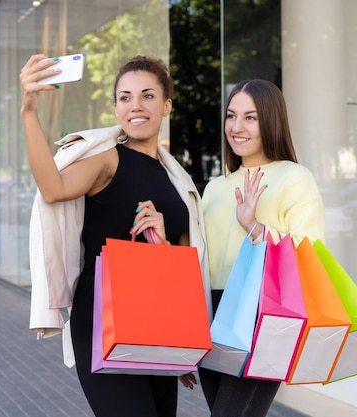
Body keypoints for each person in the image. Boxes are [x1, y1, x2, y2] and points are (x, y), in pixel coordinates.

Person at [20, 54, 211, 417]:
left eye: (147, 96)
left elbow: (180, 264)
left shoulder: (175, 179)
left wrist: (183, 342)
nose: (135, 106)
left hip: (156, 321)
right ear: (115, 107)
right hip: (102, 321)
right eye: (125, 97)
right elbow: (52, 188)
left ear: (167, 105)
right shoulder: (108, 160)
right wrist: (30, 111)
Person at [198, 79, 325, 416]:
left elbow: (307, 253)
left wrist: (254, 227)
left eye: (250, 118)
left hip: (264, 311)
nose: (237, 127)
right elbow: (199, 258)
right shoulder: (214, 187)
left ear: (271, 121)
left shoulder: (294, 177)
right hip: (212, 312)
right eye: (231, 116)